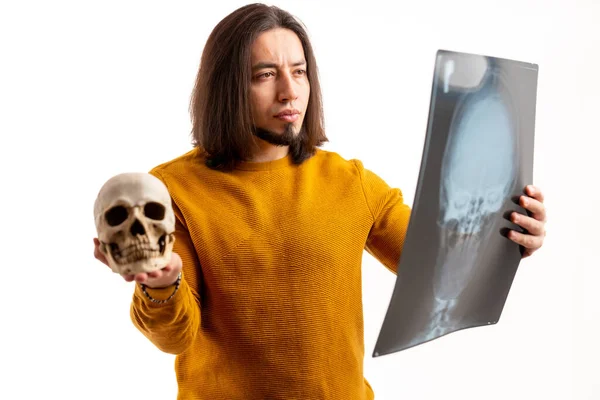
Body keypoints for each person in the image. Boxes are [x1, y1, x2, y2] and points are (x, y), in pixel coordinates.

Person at [93, 3, 547, 399]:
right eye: (266, 75)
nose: (290, 91)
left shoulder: (350, 181)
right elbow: (175, 336)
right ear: (226, 86)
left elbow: (441, 263)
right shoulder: (173, 190)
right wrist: (159, 285)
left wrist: (508, 235)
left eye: (299, 71)